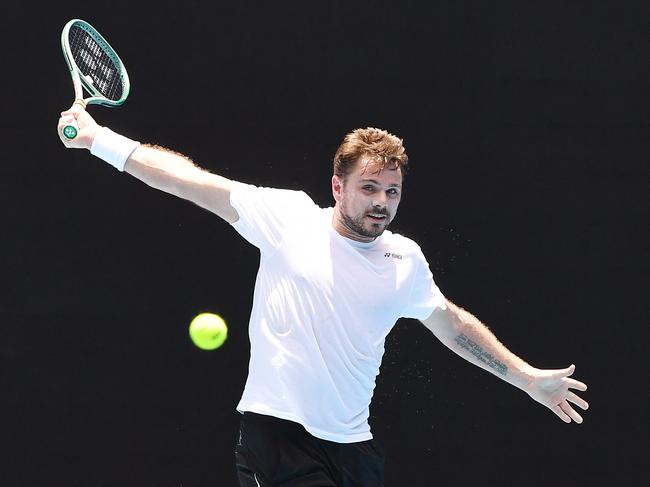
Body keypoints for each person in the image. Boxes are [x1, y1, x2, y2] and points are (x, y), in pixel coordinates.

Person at [57, 104, 589, 487]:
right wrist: (99, 139)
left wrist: (524, 378)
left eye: (392, 191)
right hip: (278, 437)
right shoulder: (287, 217)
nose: (382, 202)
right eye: (369, 188)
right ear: (338, 187)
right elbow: (189, 181)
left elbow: (450, 323)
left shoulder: (404, 260)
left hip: (354, 449)